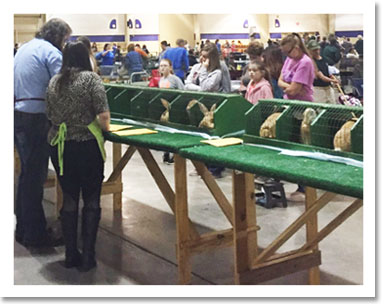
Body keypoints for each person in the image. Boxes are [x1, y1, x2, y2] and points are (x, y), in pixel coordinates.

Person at [46, 41, 110, 272]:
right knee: (92, 199)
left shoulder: (54, 81)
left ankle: (70, 254)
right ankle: (88, 257)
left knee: (70, 198)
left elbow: (50, 114)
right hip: (87, 147)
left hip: (61, 147)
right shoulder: (91, 79)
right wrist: (105, 130)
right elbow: (103, 115)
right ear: (86, 58)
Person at [14, 18, 72, 247]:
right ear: (58, 37)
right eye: (66, 40)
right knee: (35, 176)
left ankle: (23, 227)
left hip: (18, 114)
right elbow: (64, 87)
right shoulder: (51, 53)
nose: (65, 45)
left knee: (27, 175)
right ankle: (35, 234)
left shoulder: (25, 48)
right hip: (37, 119)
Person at [278, 33, 315, 202]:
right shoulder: (289, 59)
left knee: (302, 147)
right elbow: (280, 81)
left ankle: (305, 187)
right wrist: (289, 86)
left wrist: (288, 87)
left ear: (297, 48)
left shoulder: (305, 63)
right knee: (291, 145)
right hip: (289, 108)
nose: (287, 56)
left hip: (302, 110)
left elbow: (294, 90)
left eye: (288, 52)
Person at [158, 58, 184, 164]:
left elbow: (183, 92)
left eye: (165, 66)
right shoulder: (160, 80)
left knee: (174, 133)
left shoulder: (175, 79)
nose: (163, 68)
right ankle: (166, 153)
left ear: (170, 67)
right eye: (161, 66)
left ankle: (175, 154)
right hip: (165, 111)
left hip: (175, 110)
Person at [307, 39, 339, 104]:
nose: (316, 52)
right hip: (318, 89)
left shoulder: (323, 59)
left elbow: (327, 72)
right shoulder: (310, 62)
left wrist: (332, 77)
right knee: (320, 109)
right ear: (309, 51)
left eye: (317, 49)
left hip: (328, 88)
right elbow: (321, 76)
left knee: (333, 107)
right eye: (314, 50)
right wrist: (333, 81)